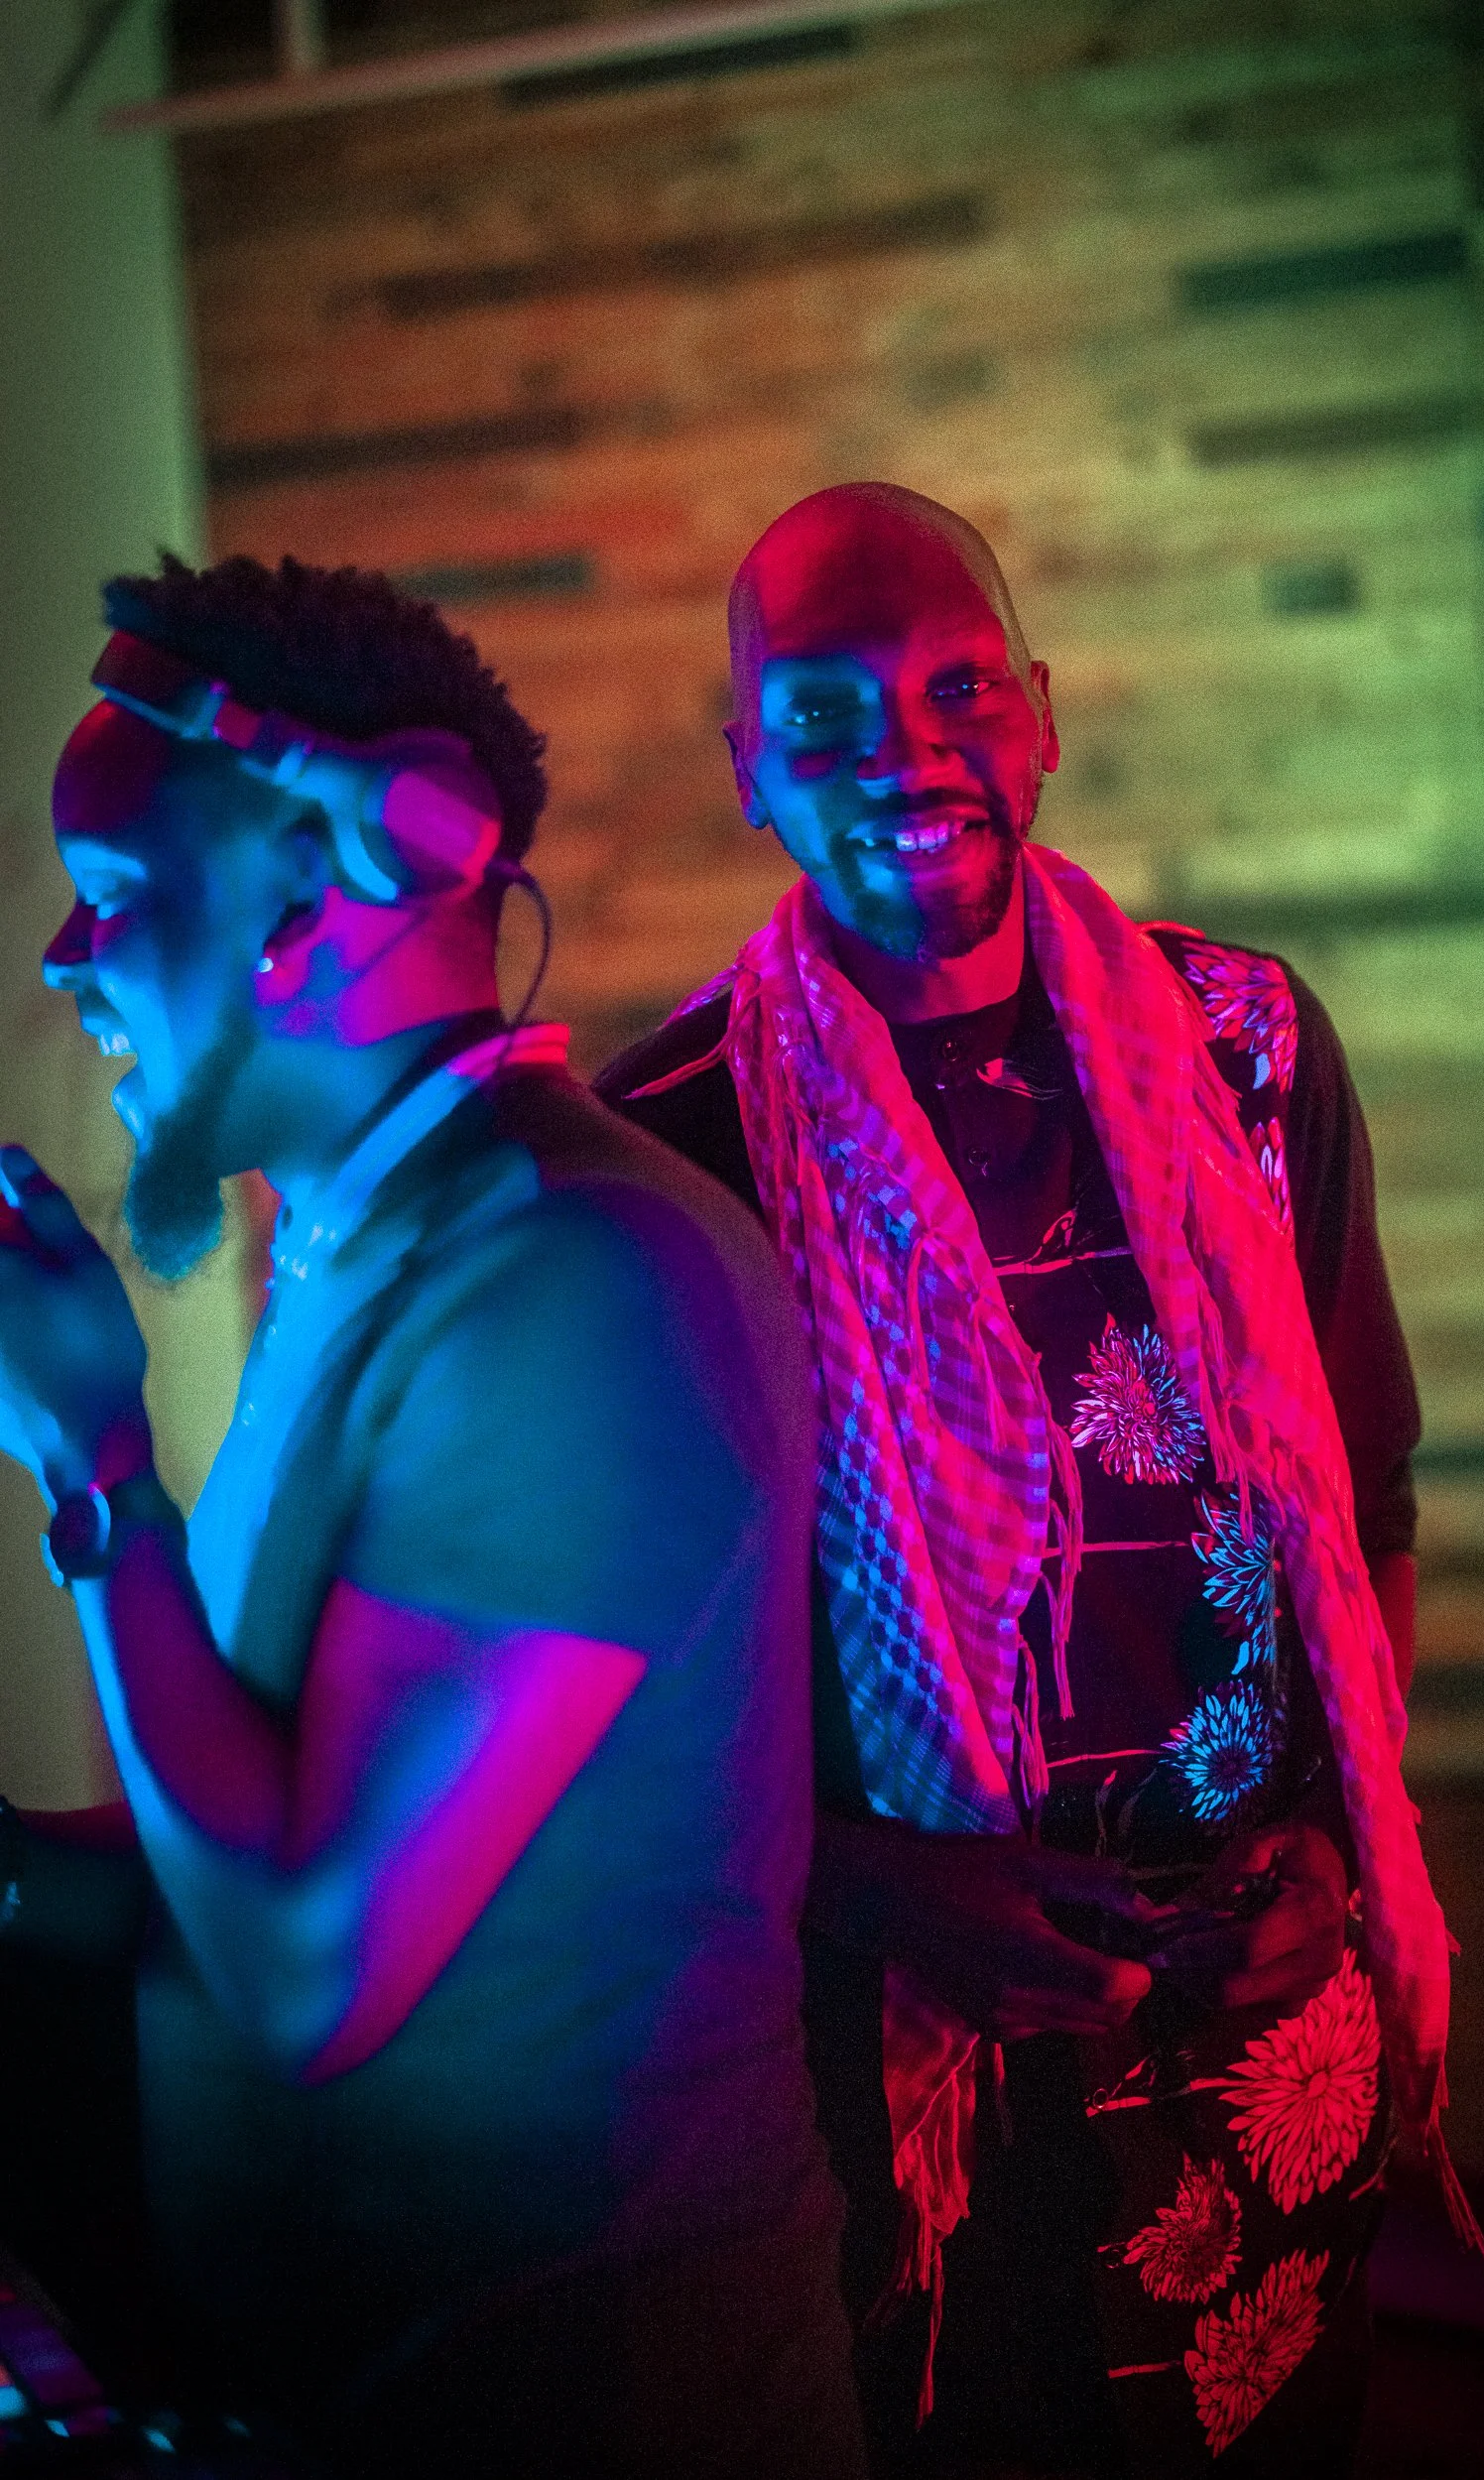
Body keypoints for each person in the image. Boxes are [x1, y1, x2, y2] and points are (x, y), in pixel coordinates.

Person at [596, 485, 1476, 2477]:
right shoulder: (665, 1150)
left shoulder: (1245, 1044)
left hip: (1261, 2012)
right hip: (907, 2065)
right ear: (747, 772)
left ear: (1044, 714)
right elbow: (644, 1715)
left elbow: (1369, 1500)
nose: (904, 754)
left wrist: (1332, 1850)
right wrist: (890, 1886)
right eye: (822, 718)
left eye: (957, 689)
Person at [0, 554, 866, 2479]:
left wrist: (96, 1467)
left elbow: (307, 1963)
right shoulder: (373, 1250)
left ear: (328, 883)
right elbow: (262, 1812)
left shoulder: (583, 1285)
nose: (67, 954)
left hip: (590, 2404)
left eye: (119, 889)